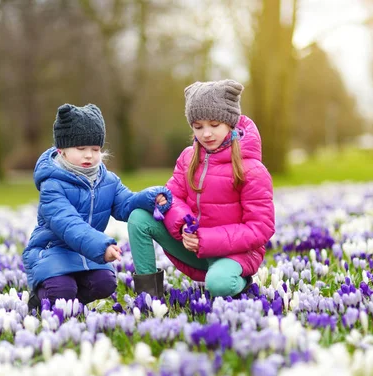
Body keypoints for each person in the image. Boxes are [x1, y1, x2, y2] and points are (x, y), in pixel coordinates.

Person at [127, 79, 275, 298]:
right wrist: (185, 226)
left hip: (235, 254)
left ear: (230, 122)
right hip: (194, 246)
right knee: (139, 218)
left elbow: (260, 227)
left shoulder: (251, 169)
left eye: (214, 125)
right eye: (198, 127)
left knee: (218, 285)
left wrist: (206, 238)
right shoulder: (188, 158)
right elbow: (171, 198)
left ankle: (240, 282)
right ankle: (148, 297)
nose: (206, 134)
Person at [22, 103, 171, 311]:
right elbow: (68, 223)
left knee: (105, 283)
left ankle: (72, 305)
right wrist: (102, 247)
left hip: (86, 254)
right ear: (61, 149)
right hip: (53, 251)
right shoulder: (52, 185)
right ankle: (41, 301)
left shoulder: (107, 180)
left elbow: (126, 203)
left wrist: (149, 198)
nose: (89, 155)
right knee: (62, 290)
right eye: (81, 148)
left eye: (95, 149)